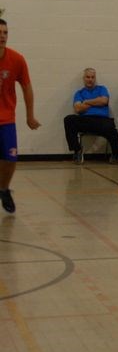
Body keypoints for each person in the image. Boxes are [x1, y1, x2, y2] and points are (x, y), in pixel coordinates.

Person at [0, 16, 40, 213]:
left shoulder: (16, 59)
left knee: (10, 158)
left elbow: (27, 87)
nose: (2, 36)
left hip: (6, 119)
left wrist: (30, 116)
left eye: (5, 33)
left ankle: (4, 189)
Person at [63, 68, 118, 164]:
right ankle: (77, 150)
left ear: (95, 78)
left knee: (111, 128)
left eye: (92, 77)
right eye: (88, 77)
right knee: (68, 119)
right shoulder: (79, 93)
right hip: (86, 120)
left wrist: (86, 102)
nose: (90, 79)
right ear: (84, 78)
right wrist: (97, 101)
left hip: (102, 120)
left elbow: (104, 101)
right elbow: (78, 108)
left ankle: (116, 153)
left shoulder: (102, 89)